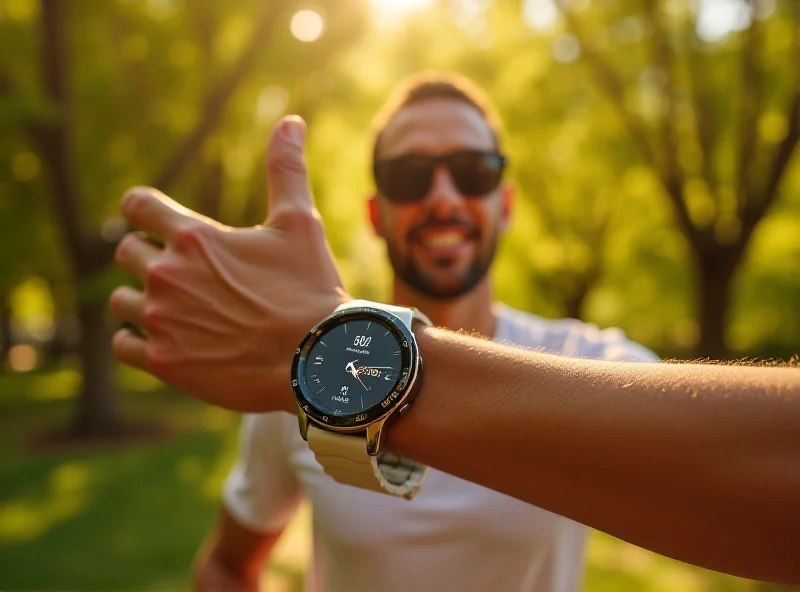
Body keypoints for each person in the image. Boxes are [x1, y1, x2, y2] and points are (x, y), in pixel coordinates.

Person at [109, 102, 800, 588]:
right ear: (377, 214)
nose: (443, 196)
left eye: (473, 172)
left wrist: (331, 345)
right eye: (411, 176)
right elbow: (228, 564)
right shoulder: (292, 382)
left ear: (505, 203)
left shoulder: (592, 362)